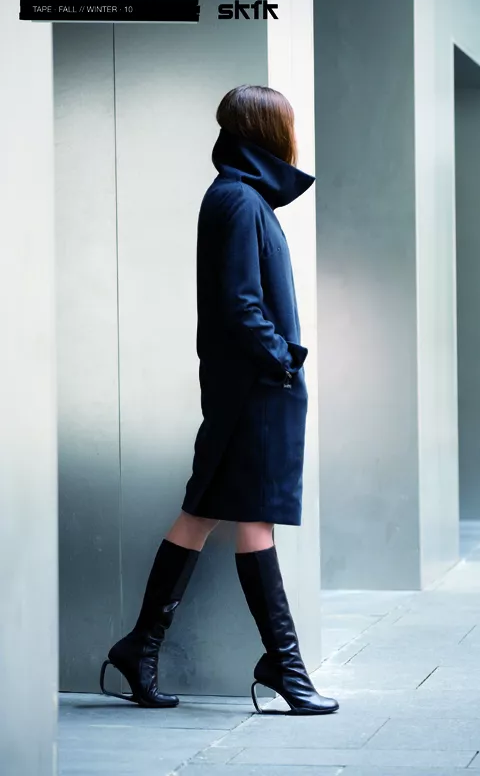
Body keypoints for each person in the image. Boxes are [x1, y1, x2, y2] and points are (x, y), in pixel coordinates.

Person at [100, 85, 339, 716]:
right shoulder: (237, 199)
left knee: (202, 512)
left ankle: (139, 646)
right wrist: (283, 359)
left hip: (249, 389)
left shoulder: (240, 196)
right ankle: (284, 666)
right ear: (269, 130)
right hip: (254, 392)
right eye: (289, 125)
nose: (294, 137)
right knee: (250, 518)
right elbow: (239, 304)